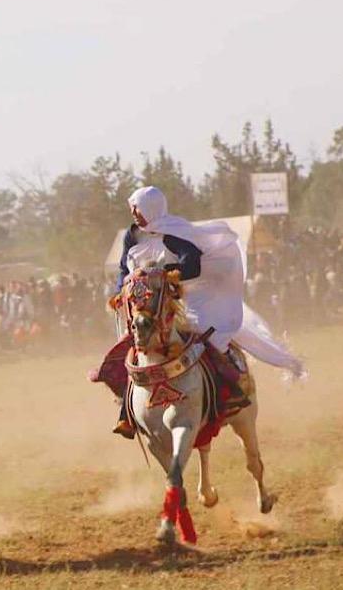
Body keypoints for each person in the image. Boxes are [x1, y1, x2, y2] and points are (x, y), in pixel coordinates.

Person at [101, 185, 305, 437]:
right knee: (126, 351)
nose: (133, 212)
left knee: (205, 341)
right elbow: (124, 267)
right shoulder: (132, 235)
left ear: (151, 208)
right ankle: (127, 412)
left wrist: (164, 275)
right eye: (132, 207)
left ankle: (230, 392)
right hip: (142, 305)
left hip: (177, 300)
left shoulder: (173, 232)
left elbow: (193, 263)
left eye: (137, 207)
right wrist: (120, 290)